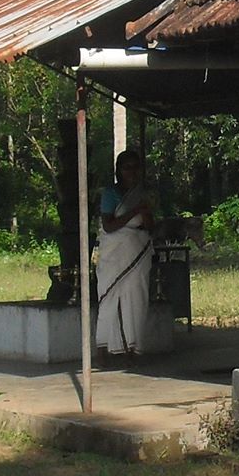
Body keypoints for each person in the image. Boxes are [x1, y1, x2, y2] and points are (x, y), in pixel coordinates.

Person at [95, 149, 155, 360]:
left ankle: (133, 349)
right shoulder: (110, 193)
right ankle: (103, 349)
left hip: (138, 250)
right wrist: (134, 211)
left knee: (137, 299)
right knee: (109, 298)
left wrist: (144, 212)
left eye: (135, 167)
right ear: (119, 170)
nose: (131, 172)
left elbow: (149, 226)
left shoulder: (142, 193)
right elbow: (109, 226)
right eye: (126, 168)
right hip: (114, 252)